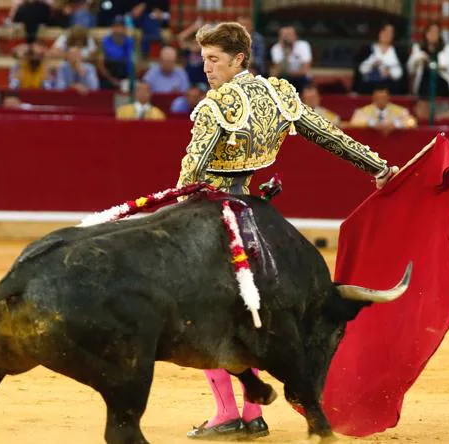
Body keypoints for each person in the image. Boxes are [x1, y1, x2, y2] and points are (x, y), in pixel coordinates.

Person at [177, 22, 398, 441]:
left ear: (239, 58)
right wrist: (379, 168)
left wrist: (173, 219)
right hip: (259, 218)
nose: (205, 68)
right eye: (203, 59)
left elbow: (192, 174)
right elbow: (330, 137)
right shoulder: (279, 94)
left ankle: (227, 413)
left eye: (214, 59)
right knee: (257, 314)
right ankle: (254, 414)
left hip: (213, 219)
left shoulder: (215, 105)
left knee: (199, 315)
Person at [407, 22, 449, 97]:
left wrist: (442, 67)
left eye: (436, 32)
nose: (433, 34)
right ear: (426, 34)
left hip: (442, 82)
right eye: (430, 32)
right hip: (424, 84)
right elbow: (410, 68)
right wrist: (419, 60)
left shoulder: (448, 49)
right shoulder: (418, 48)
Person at [353, 23, 404, 95]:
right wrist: (373, 65)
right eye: (384, 31)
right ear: (379, 33)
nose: (387, 35)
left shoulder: (399, 52)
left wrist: (390, 73)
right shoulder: (367, 50)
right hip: (369, 87)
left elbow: (401, 74)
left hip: (391, 88)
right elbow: (361, 70)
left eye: (390, 32)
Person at [349, 85, 417, 135]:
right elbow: (353, 122)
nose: (381, 100)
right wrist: (372, 124)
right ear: (373, 98)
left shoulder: (400, 111)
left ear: (388, 97)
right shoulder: (363, 111)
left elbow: (412, 122)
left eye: (383, 97)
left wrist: (396, 124)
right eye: (378, 98)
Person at [269, 25, 312, 92]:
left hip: (301, 79)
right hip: (283, 79)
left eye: (289, 34)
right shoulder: (276, 48)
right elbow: (275, 73)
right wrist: (285, 54)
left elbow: (304, 70)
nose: (286, 37)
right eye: (283, 35)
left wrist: (287, 73)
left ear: (295, 36)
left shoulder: (303, 45)